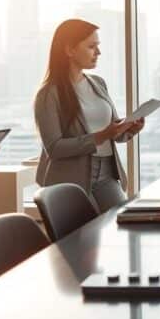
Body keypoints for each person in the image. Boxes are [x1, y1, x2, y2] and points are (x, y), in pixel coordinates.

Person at [34, 19, 143, 212]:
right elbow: (54, 148)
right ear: (69, 50)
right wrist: (102, 135)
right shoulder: (48, 94)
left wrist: (130, 129)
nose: (98, 53)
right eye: (91, 47)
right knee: (82, 239)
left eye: (98, 46)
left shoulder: (98, 83)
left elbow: (114, 133)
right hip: (70, 180)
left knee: (122, 225)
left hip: (107, 174)